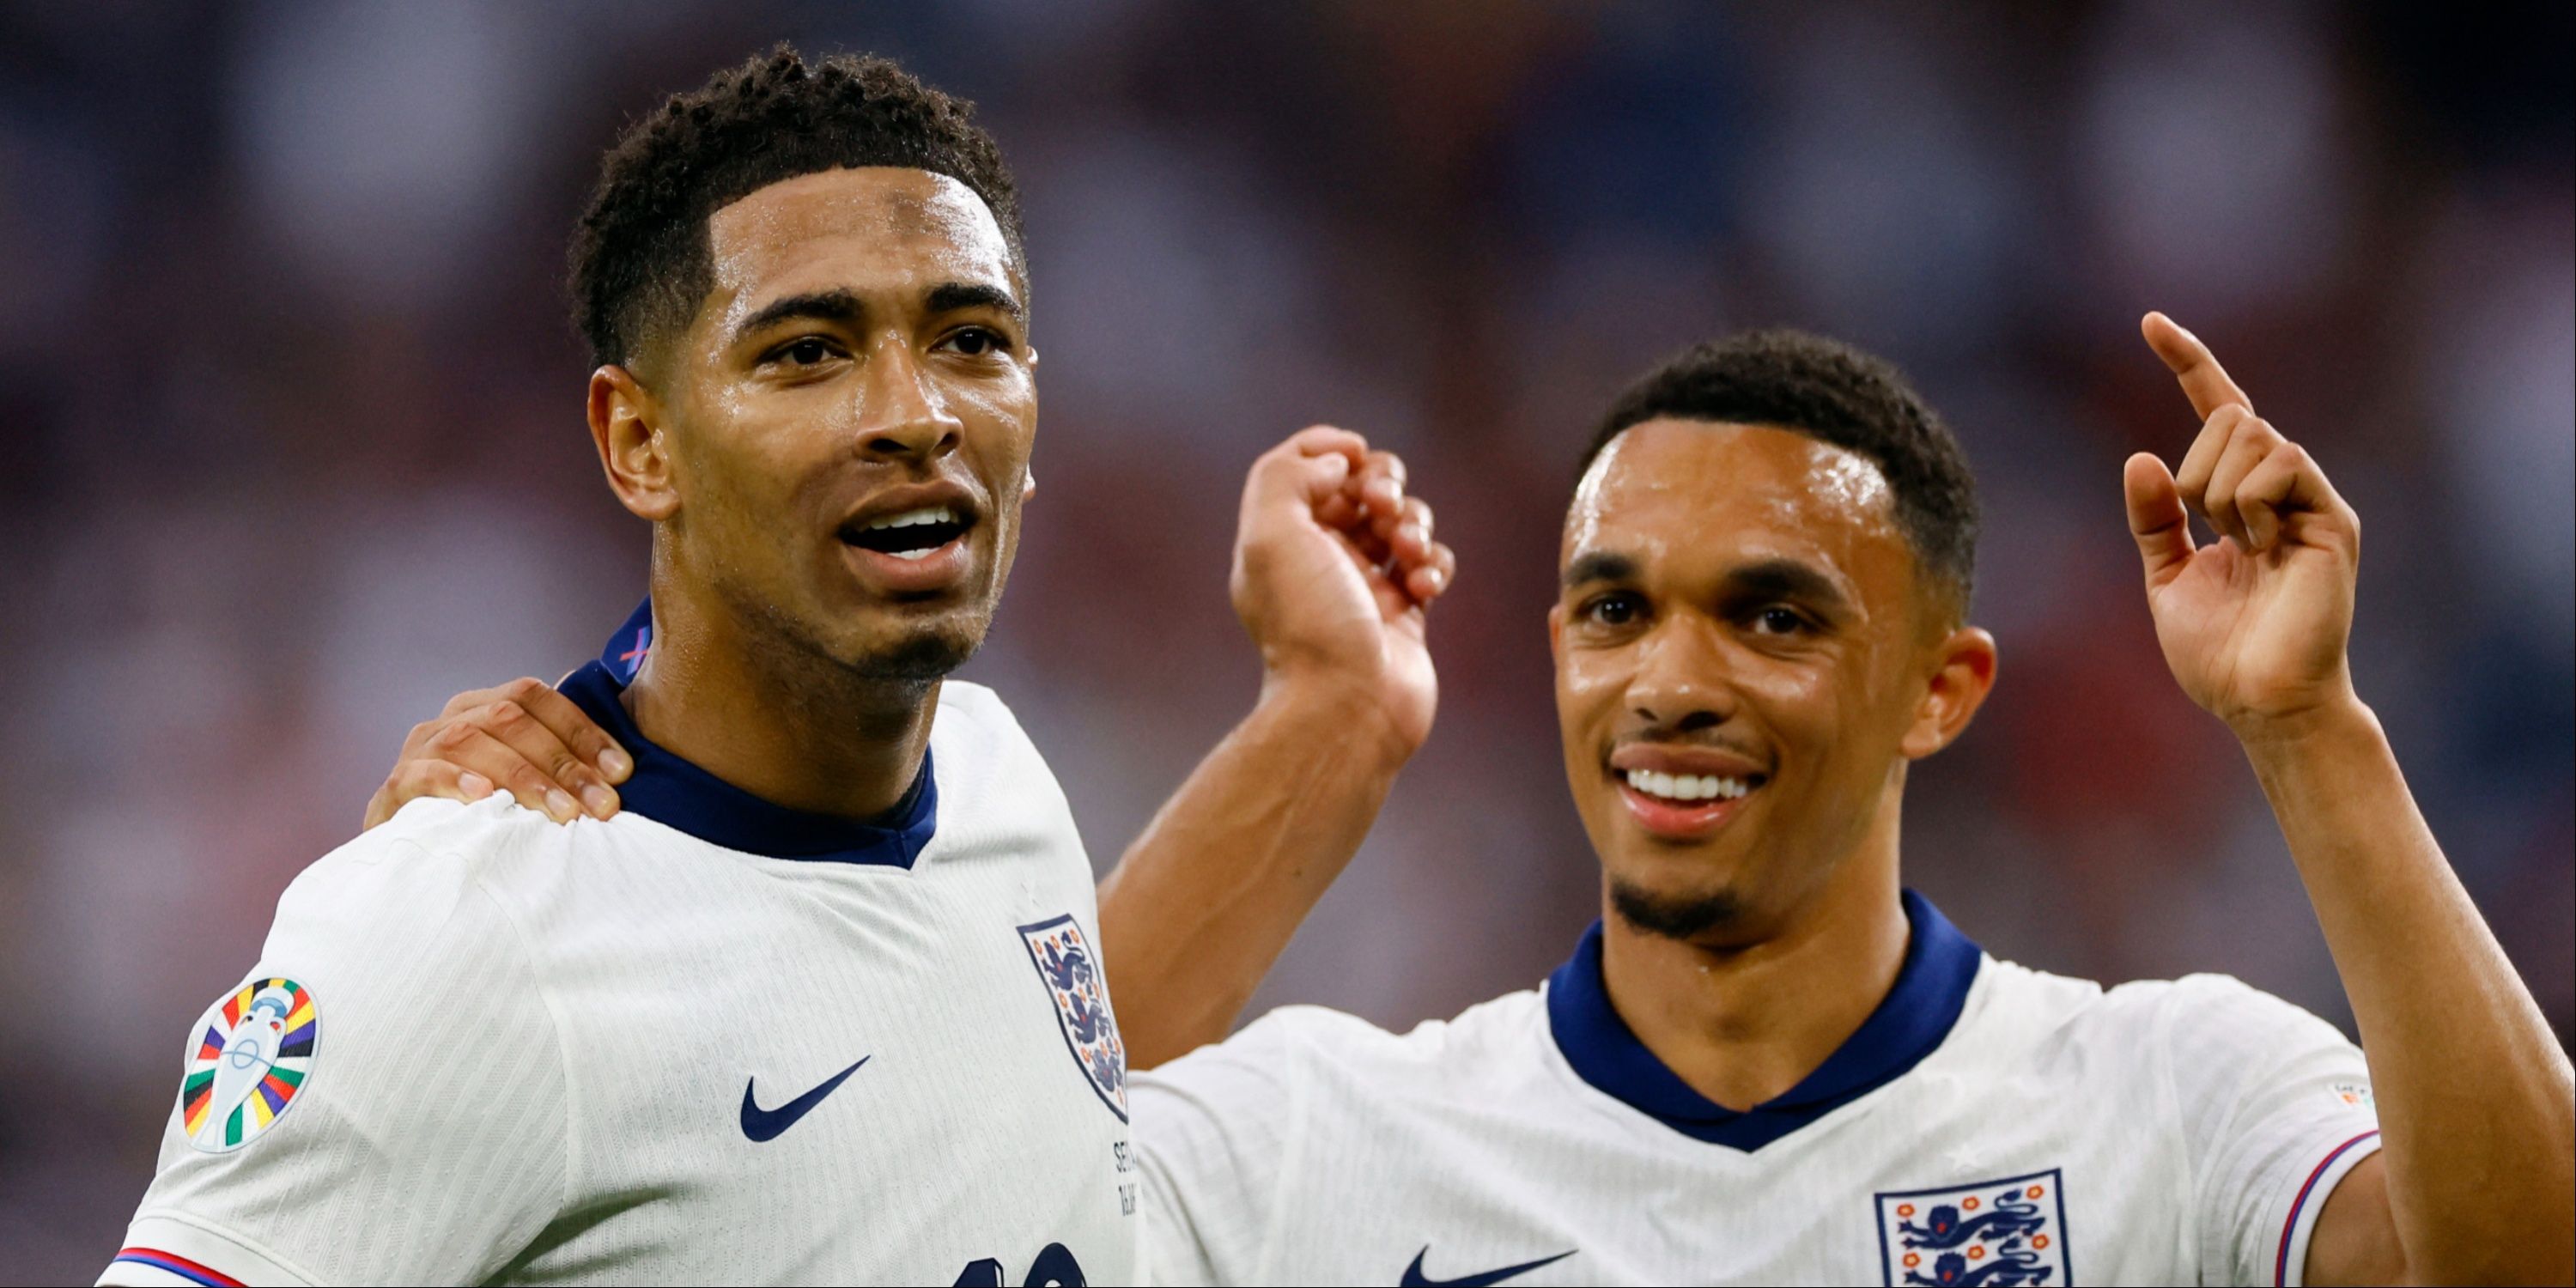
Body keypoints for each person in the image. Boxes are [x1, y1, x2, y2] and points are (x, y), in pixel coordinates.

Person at [403, 322, 2572, 1285]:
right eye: (1610, 606)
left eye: (1776, 616)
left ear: (1944, 693)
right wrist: (1330, 723)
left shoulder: (2169, 1099)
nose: (1671, 678)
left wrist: (2313, 735)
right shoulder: (1336, 1151)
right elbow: (939, 1203)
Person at [101, 46, 1455, 1287]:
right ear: (641, 443)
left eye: (970, 341)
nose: (917, 413)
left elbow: (1033, 1091)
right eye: (807, 352)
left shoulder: (989, 775)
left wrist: (1341, 718)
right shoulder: (464, 928)